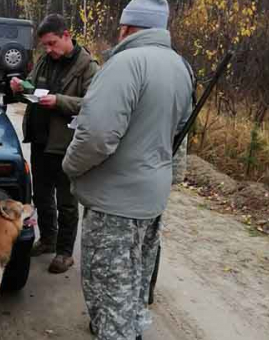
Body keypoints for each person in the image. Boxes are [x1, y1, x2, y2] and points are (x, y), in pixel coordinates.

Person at [61, 0, 193, 339]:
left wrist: (70, 166)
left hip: (113, 205)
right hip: (151, 200)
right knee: (133, 283)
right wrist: (167, 177)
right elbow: (180, 136)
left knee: (109, 290)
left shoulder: (125, 64)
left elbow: (97, 136)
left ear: (127, 27)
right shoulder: (180, 67)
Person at [10, 14, 98, 274]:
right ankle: (48, 239)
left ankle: (64, 252)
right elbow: (33, 91)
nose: (48, 50)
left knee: (67, 201)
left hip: (66, 144)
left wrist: (60, 101)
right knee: (42, 195)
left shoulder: (87, 66)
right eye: (44, 45)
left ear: (67, 35)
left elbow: (94, 104)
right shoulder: (46, 61)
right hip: (40, 141)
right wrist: (20, 89)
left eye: (52, 43)